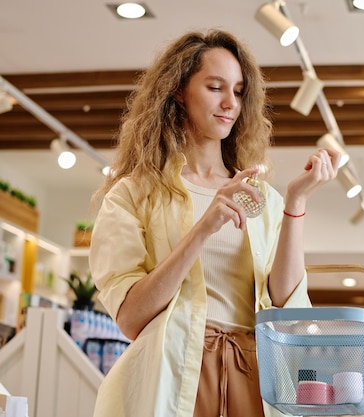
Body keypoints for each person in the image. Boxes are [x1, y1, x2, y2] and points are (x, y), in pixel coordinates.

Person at [88, 29, 341, 417]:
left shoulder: (264, 199)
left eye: (239, 91)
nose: (230, 103)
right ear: (177, 91)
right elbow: (130, 317)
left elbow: (284, 305)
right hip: (174, 373)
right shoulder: (133, 194)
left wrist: (296, 201)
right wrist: (203, 228)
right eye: (215, 87)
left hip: (254, 375)